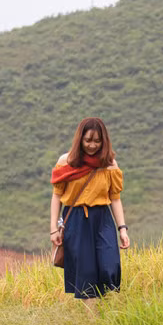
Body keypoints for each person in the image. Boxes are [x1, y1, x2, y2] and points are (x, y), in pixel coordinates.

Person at [50, 117, 130, 301]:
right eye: (88, 140)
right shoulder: (66, 161)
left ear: (104, 141)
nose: (92, 145)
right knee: (86, 273)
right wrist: (53, 228)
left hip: (102, 218)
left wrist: (123, 229)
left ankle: (109, 309)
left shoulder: (109, 164)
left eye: (97, 141)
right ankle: (93, 322)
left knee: (110, 265)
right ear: (80, 139)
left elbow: (115, 199)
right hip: (76, 219)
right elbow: (57, 196)